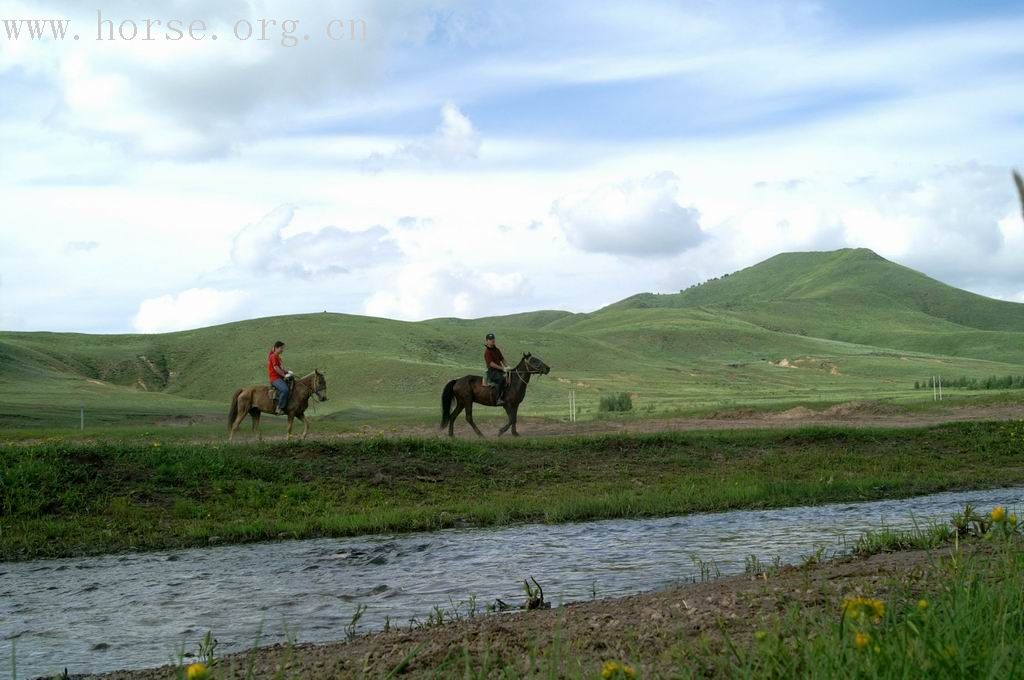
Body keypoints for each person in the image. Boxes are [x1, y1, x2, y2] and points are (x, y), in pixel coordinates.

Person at [268, 340, 293, 415]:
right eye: (281, 348)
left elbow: (282, 368)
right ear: (276, 348)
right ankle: (279, 407)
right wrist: (284, 375)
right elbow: (276, 368)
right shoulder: (273, 356)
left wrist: (288, 372)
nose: (282, 350)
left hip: (280, 378)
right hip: (275, 379)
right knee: (285, 390)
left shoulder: (278, 358)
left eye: (283, 348)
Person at [484, 333, 510, 405]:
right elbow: (491, 364)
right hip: (492, 372)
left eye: (493, 339)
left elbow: (502, 359)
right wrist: (503, 368)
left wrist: (507, 367)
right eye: (490, 339)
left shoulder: (497, 350)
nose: (492, 340)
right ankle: (498, 399)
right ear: (487, 341)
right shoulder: (487, 352)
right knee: (502, 379)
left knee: (510, 378)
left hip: (499, 370)